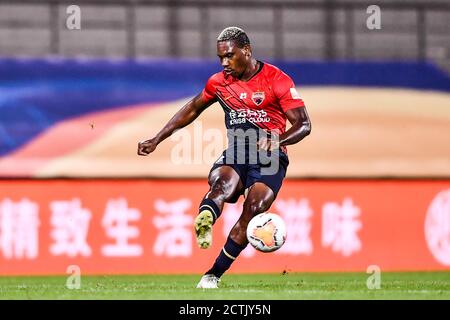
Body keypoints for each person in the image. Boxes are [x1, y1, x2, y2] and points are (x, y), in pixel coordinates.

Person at [138, 26, 311, 288]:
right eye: (220, 58)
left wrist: (278, 139)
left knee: (253, 209)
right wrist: (157, 138)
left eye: (229, 56)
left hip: (270, 157)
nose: (224, 63)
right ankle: (205, 217)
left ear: (247, 51)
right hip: (237, 152)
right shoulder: (219, 83)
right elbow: (192, 109)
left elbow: (304, 125)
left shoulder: (277, 79)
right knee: (221, 185)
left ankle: (212, 275)